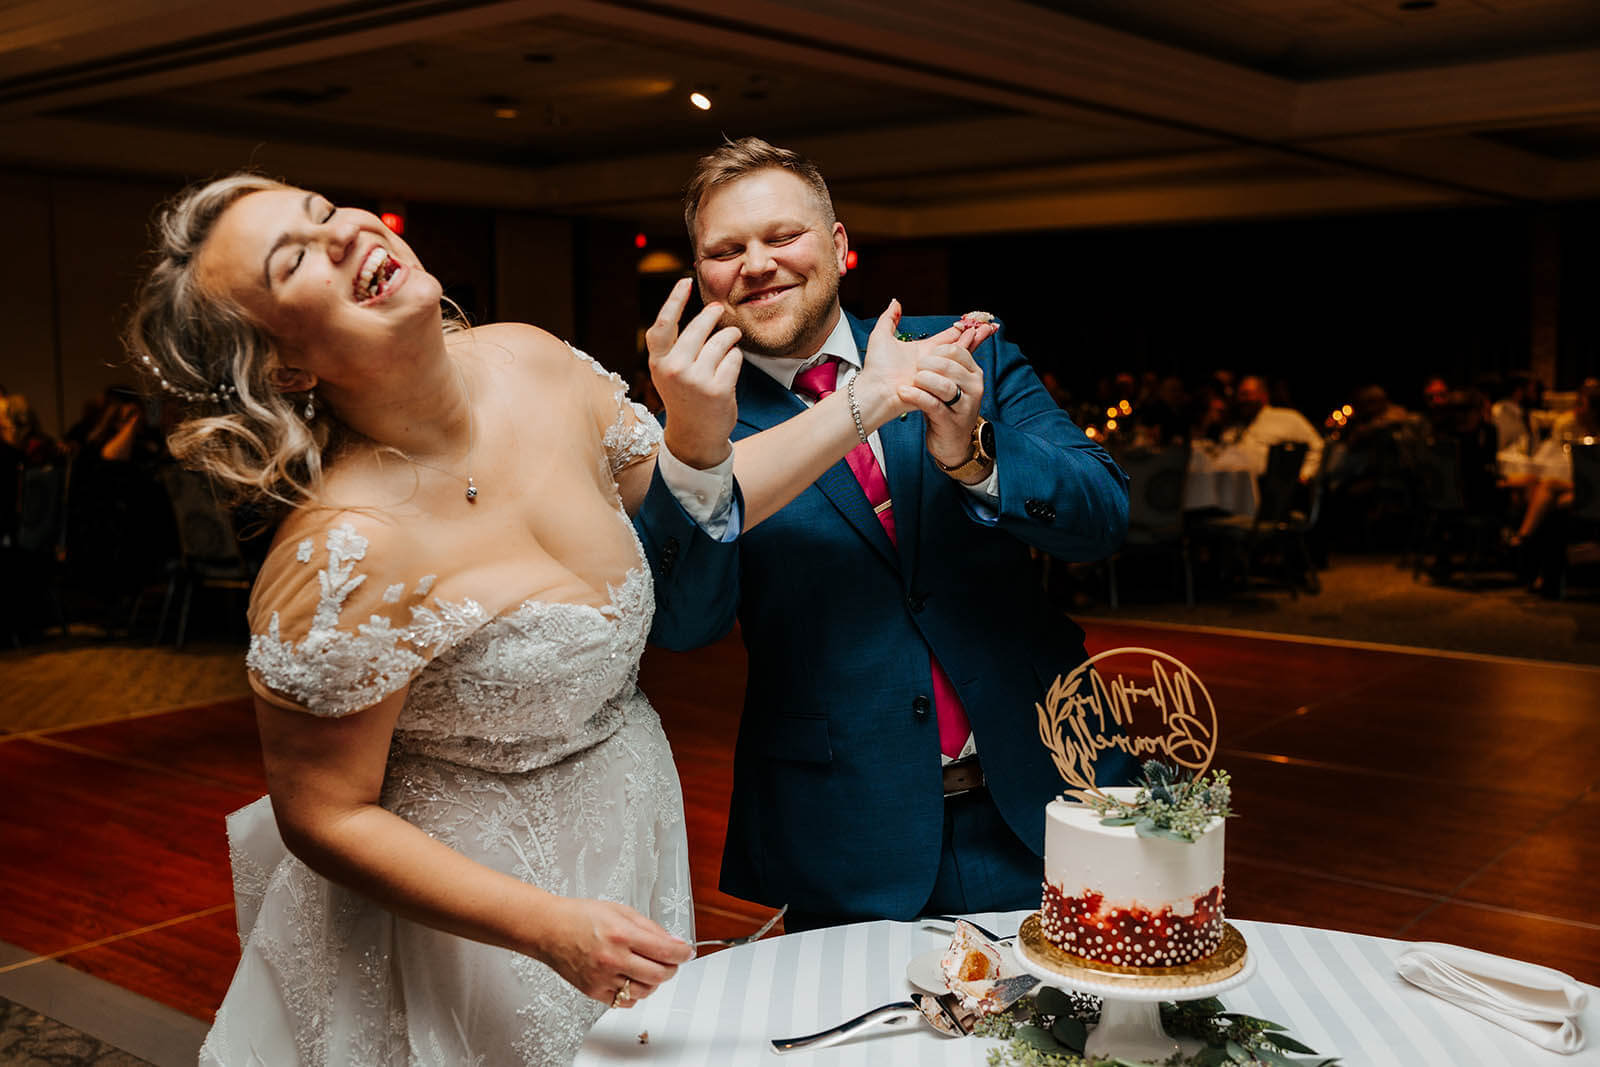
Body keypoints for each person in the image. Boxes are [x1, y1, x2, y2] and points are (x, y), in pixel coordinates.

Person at [125, 173, 989, 1064]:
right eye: (294, 259)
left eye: (320, 211)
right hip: (470, 916)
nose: (341, 234)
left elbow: (697, 497)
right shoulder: (344, 551)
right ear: (285, 367)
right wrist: (544, 927)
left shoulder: (532, 360)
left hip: (627, 834)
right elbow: (325, 817)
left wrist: (868, 400)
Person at [632, 137, 1132, 931]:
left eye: (782, 236)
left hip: (1055, 788)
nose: (756, 263)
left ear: (836, 245)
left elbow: (1102, 514)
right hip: (845, 828)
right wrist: (692, 447)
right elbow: (685, 626)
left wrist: (974, 455)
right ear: (701, 278)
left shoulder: (963, 347)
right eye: (726, 251)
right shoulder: (704, 423)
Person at [1225, 375, 1323, 482]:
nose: (1241, 399)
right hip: (1238, 488)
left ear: (1263, 395)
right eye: (1239, 395)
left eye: (1246, 394)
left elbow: (1317, 445)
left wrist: (1305, 475)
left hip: (1273, 491)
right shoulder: (1234, 427)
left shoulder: (1287, 418)